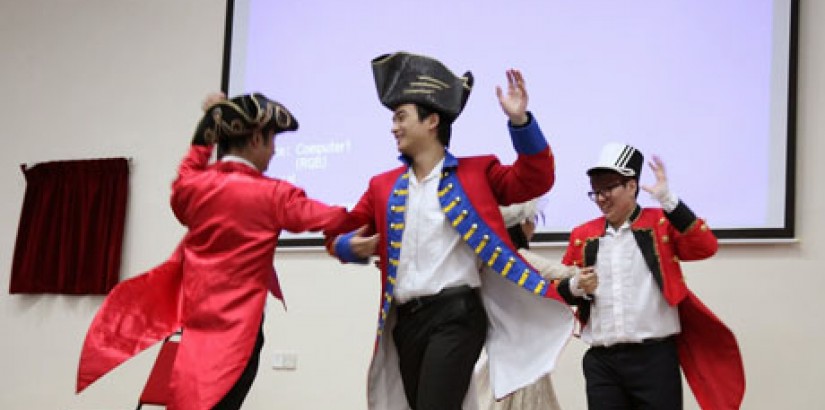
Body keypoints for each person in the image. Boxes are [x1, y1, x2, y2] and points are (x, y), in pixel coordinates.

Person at [326, 51, 574, 410]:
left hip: (456, 315)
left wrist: (520, 122)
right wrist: (351, 247)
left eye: (400, 117)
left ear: (431, 122)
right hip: (406, 322)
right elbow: (337, 236)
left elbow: (535, 178)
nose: (393, 127)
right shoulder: (382, 186)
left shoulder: (477, 172)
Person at [77, 92, 351, 410]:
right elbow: (333, 218)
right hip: (239, 332)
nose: (275, 150)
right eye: (273, 140)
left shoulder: (192, 188)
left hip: (197, 327)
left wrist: (209, 125)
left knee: (189, 402)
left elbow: (189, 167)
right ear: (257, 138)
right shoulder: (274, 195)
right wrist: (373, 217)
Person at [555, 143, 745, 409]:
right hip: (602, 362)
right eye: (595, 191)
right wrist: (575, 286)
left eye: (607, 189)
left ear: (632, 186)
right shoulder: (583, 235)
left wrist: (669, 200)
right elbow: (558, 289)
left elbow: (706, 246)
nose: (600, 198)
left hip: (654, 359)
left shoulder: (661, 223)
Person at [475, 200, 579, 410]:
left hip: (491, 346)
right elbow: (566, 273)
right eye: (533, 221)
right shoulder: (517, 258)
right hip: (518, 353)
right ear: (521, 224)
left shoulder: (484, 259)